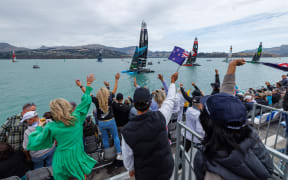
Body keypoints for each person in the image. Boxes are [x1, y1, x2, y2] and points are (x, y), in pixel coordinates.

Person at [194, 59, 273, 180]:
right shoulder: (252, 138)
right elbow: (228, 104)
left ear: (208, 124)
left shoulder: (208, 164)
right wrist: (232, 66)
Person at [27, 74, 97, 180]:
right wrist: (88, 84)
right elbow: (86, 101)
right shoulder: (77, 118)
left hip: (61, 158)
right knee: (81, 176)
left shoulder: (51, 127)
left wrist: (39, 128)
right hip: (76, 155)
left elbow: (36, 142)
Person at [121, 72, 178, 180]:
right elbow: (170, 100)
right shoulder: (161, 117)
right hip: (166, 171)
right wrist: (172, 83)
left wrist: (131, 169)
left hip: (145, 175)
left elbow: (128, 162)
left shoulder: (126, 131)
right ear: (150, 102)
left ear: (134, 104)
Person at [76, 73, 122, 160]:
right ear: (107, 94)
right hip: (111, 121)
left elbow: (87, 93)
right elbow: (115, 89)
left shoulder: (96, 100)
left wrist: (81, 85)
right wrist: (116, 79)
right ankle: (119, 153)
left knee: (104, 138)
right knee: (115, 136)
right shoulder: (110, 98)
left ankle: (108, 154)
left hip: (101, 122)